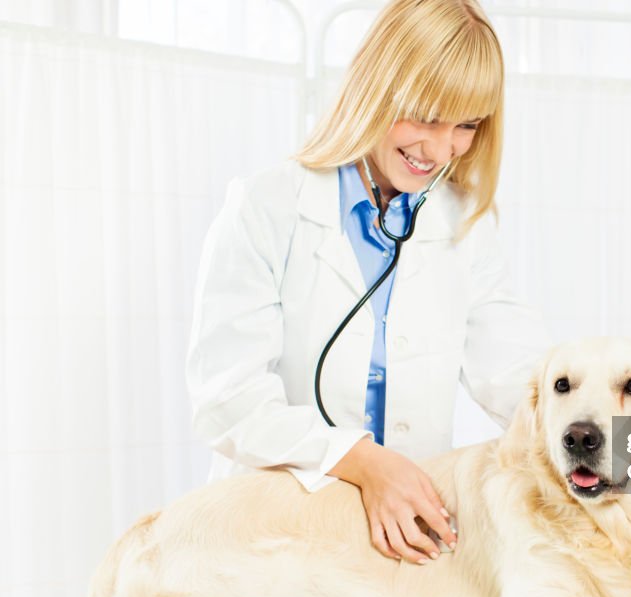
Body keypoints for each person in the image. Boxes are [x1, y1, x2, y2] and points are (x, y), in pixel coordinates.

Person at [185, 0, 548, 567]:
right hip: (273, 529)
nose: (441, 147)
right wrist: (362, 461)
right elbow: (227, 401)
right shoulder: (265, 206)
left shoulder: (463, 222)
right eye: (425, 115)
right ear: (375, 86)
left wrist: (618, 410)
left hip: (402, 541)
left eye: (467, 125)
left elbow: (515, 374)